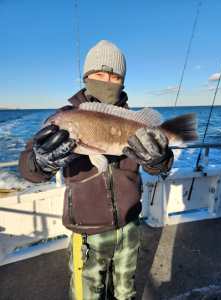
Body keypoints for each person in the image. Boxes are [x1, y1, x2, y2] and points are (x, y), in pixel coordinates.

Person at [19, 40, 174, 300]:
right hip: (86, 234)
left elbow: (162, 167)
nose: (107, 81)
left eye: (115, 76)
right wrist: (40, 161)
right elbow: (29, 170)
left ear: (123, 81)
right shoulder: (64, 116)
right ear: (87, 76)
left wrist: (159, 159)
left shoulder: (134, 120)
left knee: (125, 293)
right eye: (99, 74)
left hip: (129, 226)